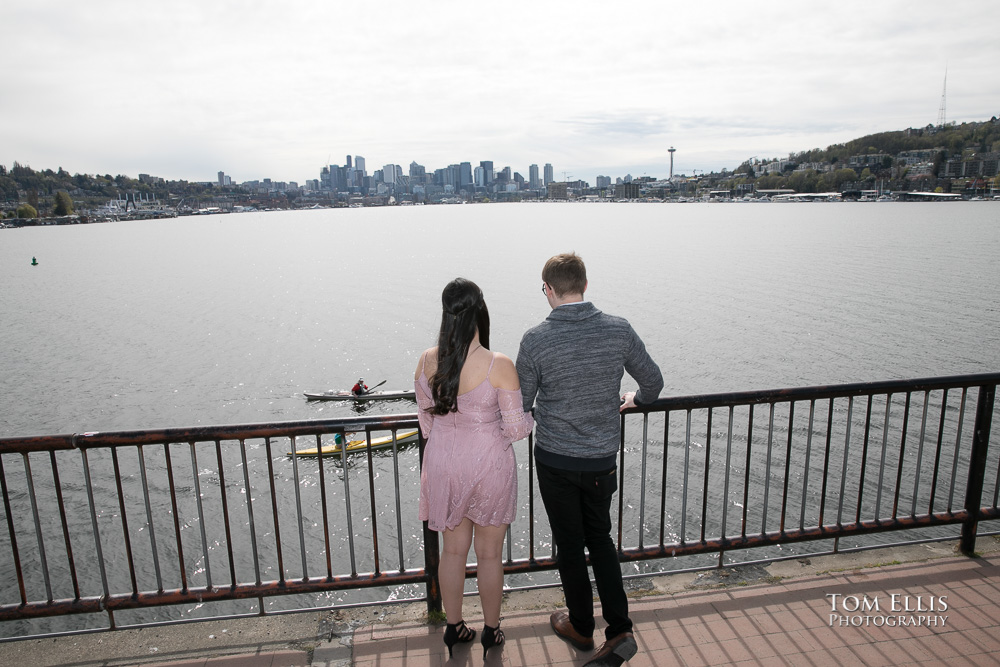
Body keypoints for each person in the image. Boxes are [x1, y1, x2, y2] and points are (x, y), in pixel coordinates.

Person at [516, 252, 663, 667]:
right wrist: (638, 400)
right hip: (601, 460)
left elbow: (523, 405)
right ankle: (619, 630)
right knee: (600, 540)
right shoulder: (618, 329)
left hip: (556, 461)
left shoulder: (535, 340)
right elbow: (652, 381)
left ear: (548, 289)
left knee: (569, 545)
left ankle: (581, 626)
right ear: (584, 284)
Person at [414, 277, 534, 660]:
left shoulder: (428, 359)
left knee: (452, 553)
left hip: (443, 463)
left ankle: (453, 628)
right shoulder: (498, 364)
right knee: (488, 555)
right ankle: (492, 632)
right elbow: (516, 429)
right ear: (481, 311)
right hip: (487, 465)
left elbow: (426, 422)